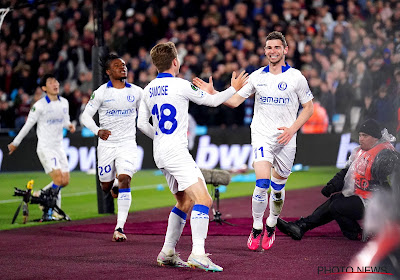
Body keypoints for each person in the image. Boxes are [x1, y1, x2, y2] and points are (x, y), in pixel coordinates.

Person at [193, 31, 314, 251]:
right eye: (269, 47)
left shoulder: (296, 77)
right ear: (265, 50)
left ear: (285, 50)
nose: (272, 51)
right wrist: (214, 94)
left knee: (278, 190)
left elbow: (309, 108)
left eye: (277, 47)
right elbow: (234, 101)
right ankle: (257, 226)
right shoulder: (257, 76)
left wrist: (292, 130)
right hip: (262, 136)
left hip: (287, 139)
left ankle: (272, 222)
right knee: (262, 183)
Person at [137, 41, 248, 272]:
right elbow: (215, 102)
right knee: (204, 201)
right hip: (176, 151)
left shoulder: (147, 89)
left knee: (184, 201)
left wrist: (158, 138)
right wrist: (233, 88)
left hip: (160, 153)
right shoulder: (180, 85)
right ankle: (198, 254)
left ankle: (167, 252)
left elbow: (140, 124)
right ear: (175, 62)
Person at [277, 119, 398, 241]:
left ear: (375, 138)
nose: (361, 139)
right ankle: (301, 227)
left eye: (365, 136)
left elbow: (391, 182)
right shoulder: (360, 152)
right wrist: (332, 186)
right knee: (335, 200)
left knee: (338, 205)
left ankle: (357, 233)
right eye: (360, 135)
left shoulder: (385, 154)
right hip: (364, 198)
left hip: (378, 203)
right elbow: (346, 172)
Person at [80, 53, 143, 242]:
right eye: (117, 66)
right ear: (108, 71)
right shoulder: (101, 93)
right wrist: (98, 130)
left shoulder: (137, 92)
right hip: (106, 145)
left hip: (127, 143)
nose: (122, 68)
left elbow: (147, 113)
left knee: (125, 178)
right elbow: (85, 117)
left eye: (124, 65)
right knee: (105, 186)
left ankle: (119, 227)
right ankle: (113, 184)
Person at [8, 74, 76, 220]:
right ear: (44, 88)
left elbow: (65, 120)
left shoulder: (64, 102)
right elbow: (28, 125)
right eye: (51, 82)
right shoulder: (39, 106)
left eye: (56, 81)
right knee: (58, 179)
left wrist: (69, 125)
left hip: (59, 147)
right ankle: (52, 211)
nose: (55, 84)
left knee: (65, 180)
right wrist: (15, 143)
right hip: (46, 147)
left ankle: (41, 194)